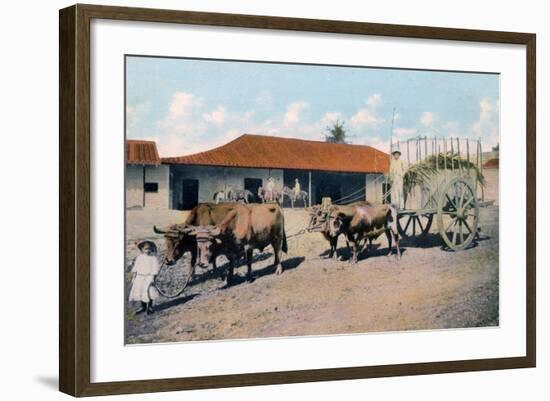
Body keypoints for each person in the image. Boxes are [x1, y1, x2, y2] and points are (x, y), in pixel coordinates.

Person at [129, 240, 160, 315]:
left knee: (149, 291)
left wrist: (153, 277)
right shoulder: (139, 258)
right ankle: (143, 307)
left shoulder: (153, 258)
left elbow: (155, 268)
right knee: (141, 291)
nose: (148, 250)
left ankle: (150, 307)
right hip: (140, 277)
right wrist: (134, 277)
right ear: (142, 249)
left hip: (149, 277)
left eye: (149, 248)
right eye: (146, 248)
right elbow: (136, 267)